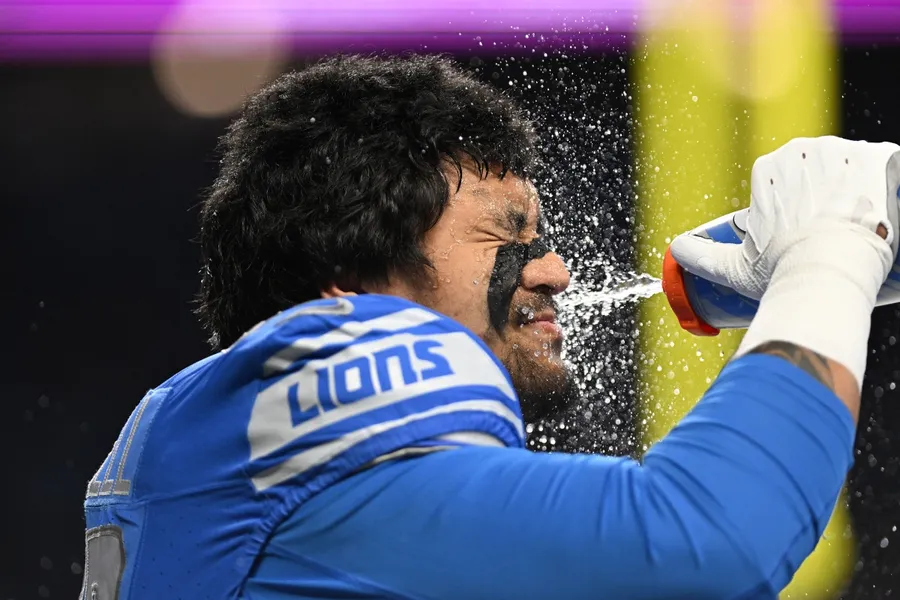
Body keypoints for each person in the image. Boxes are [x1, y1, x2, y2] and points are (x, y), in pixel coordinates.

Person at [80, 54, 900, 600]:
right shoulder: (333, 488)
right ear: (352, 284)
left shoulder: (266, 475)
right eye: (506, 235)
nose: (555, 271)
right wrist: (828, 258)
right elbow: (711, 540)